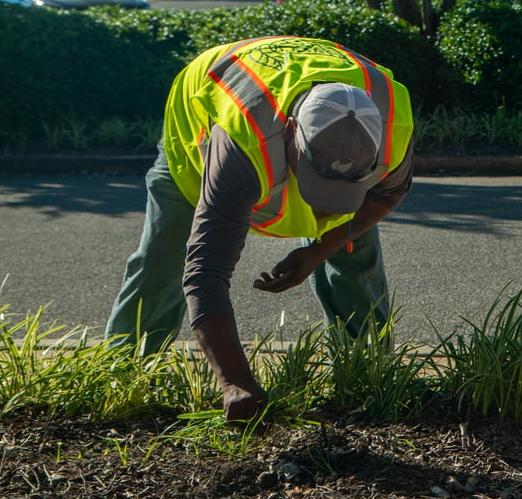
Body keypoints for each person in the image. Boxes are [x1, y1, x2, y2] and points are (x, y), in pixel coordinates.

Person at [105, 35, 414, 421]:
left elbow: (385, 196)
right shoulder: (243, 139)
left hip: (292, 111)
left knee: (354, 248)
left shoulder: (390, 120)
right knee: (163, 256)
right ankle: (119, 376)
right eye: (318, 183)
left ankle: (366, 377)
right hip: (199, 133)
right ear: (289, 133)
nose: (322, 204)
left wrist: (318, 249)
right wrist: (236, 382)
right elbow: (206, 272)